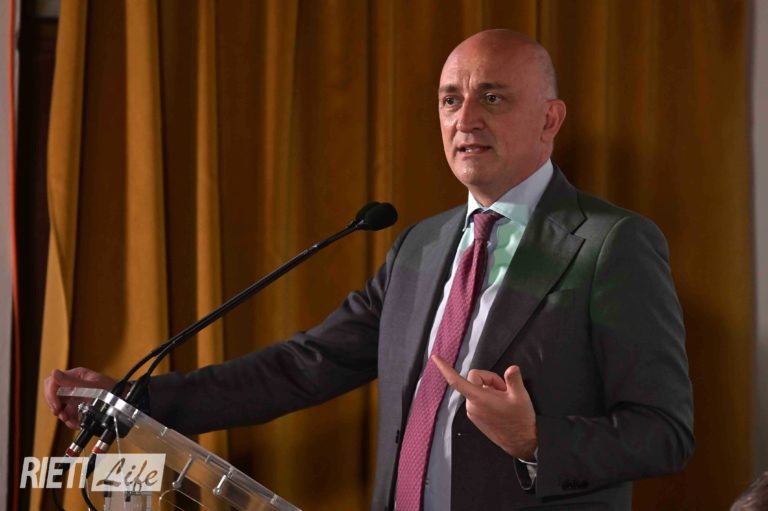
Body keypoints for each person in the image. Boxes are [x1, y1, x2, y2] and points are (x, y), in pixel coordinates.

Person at [44, 29, 694, 510]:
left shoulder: (612, 244)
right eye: (449, 100)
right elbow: (305, 365)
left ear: (550, 118)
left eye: (492, 97)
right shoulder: (419, 245)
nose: (465, 119)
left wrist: (535, 440)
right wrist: (133, 403)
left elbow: (664, 432)